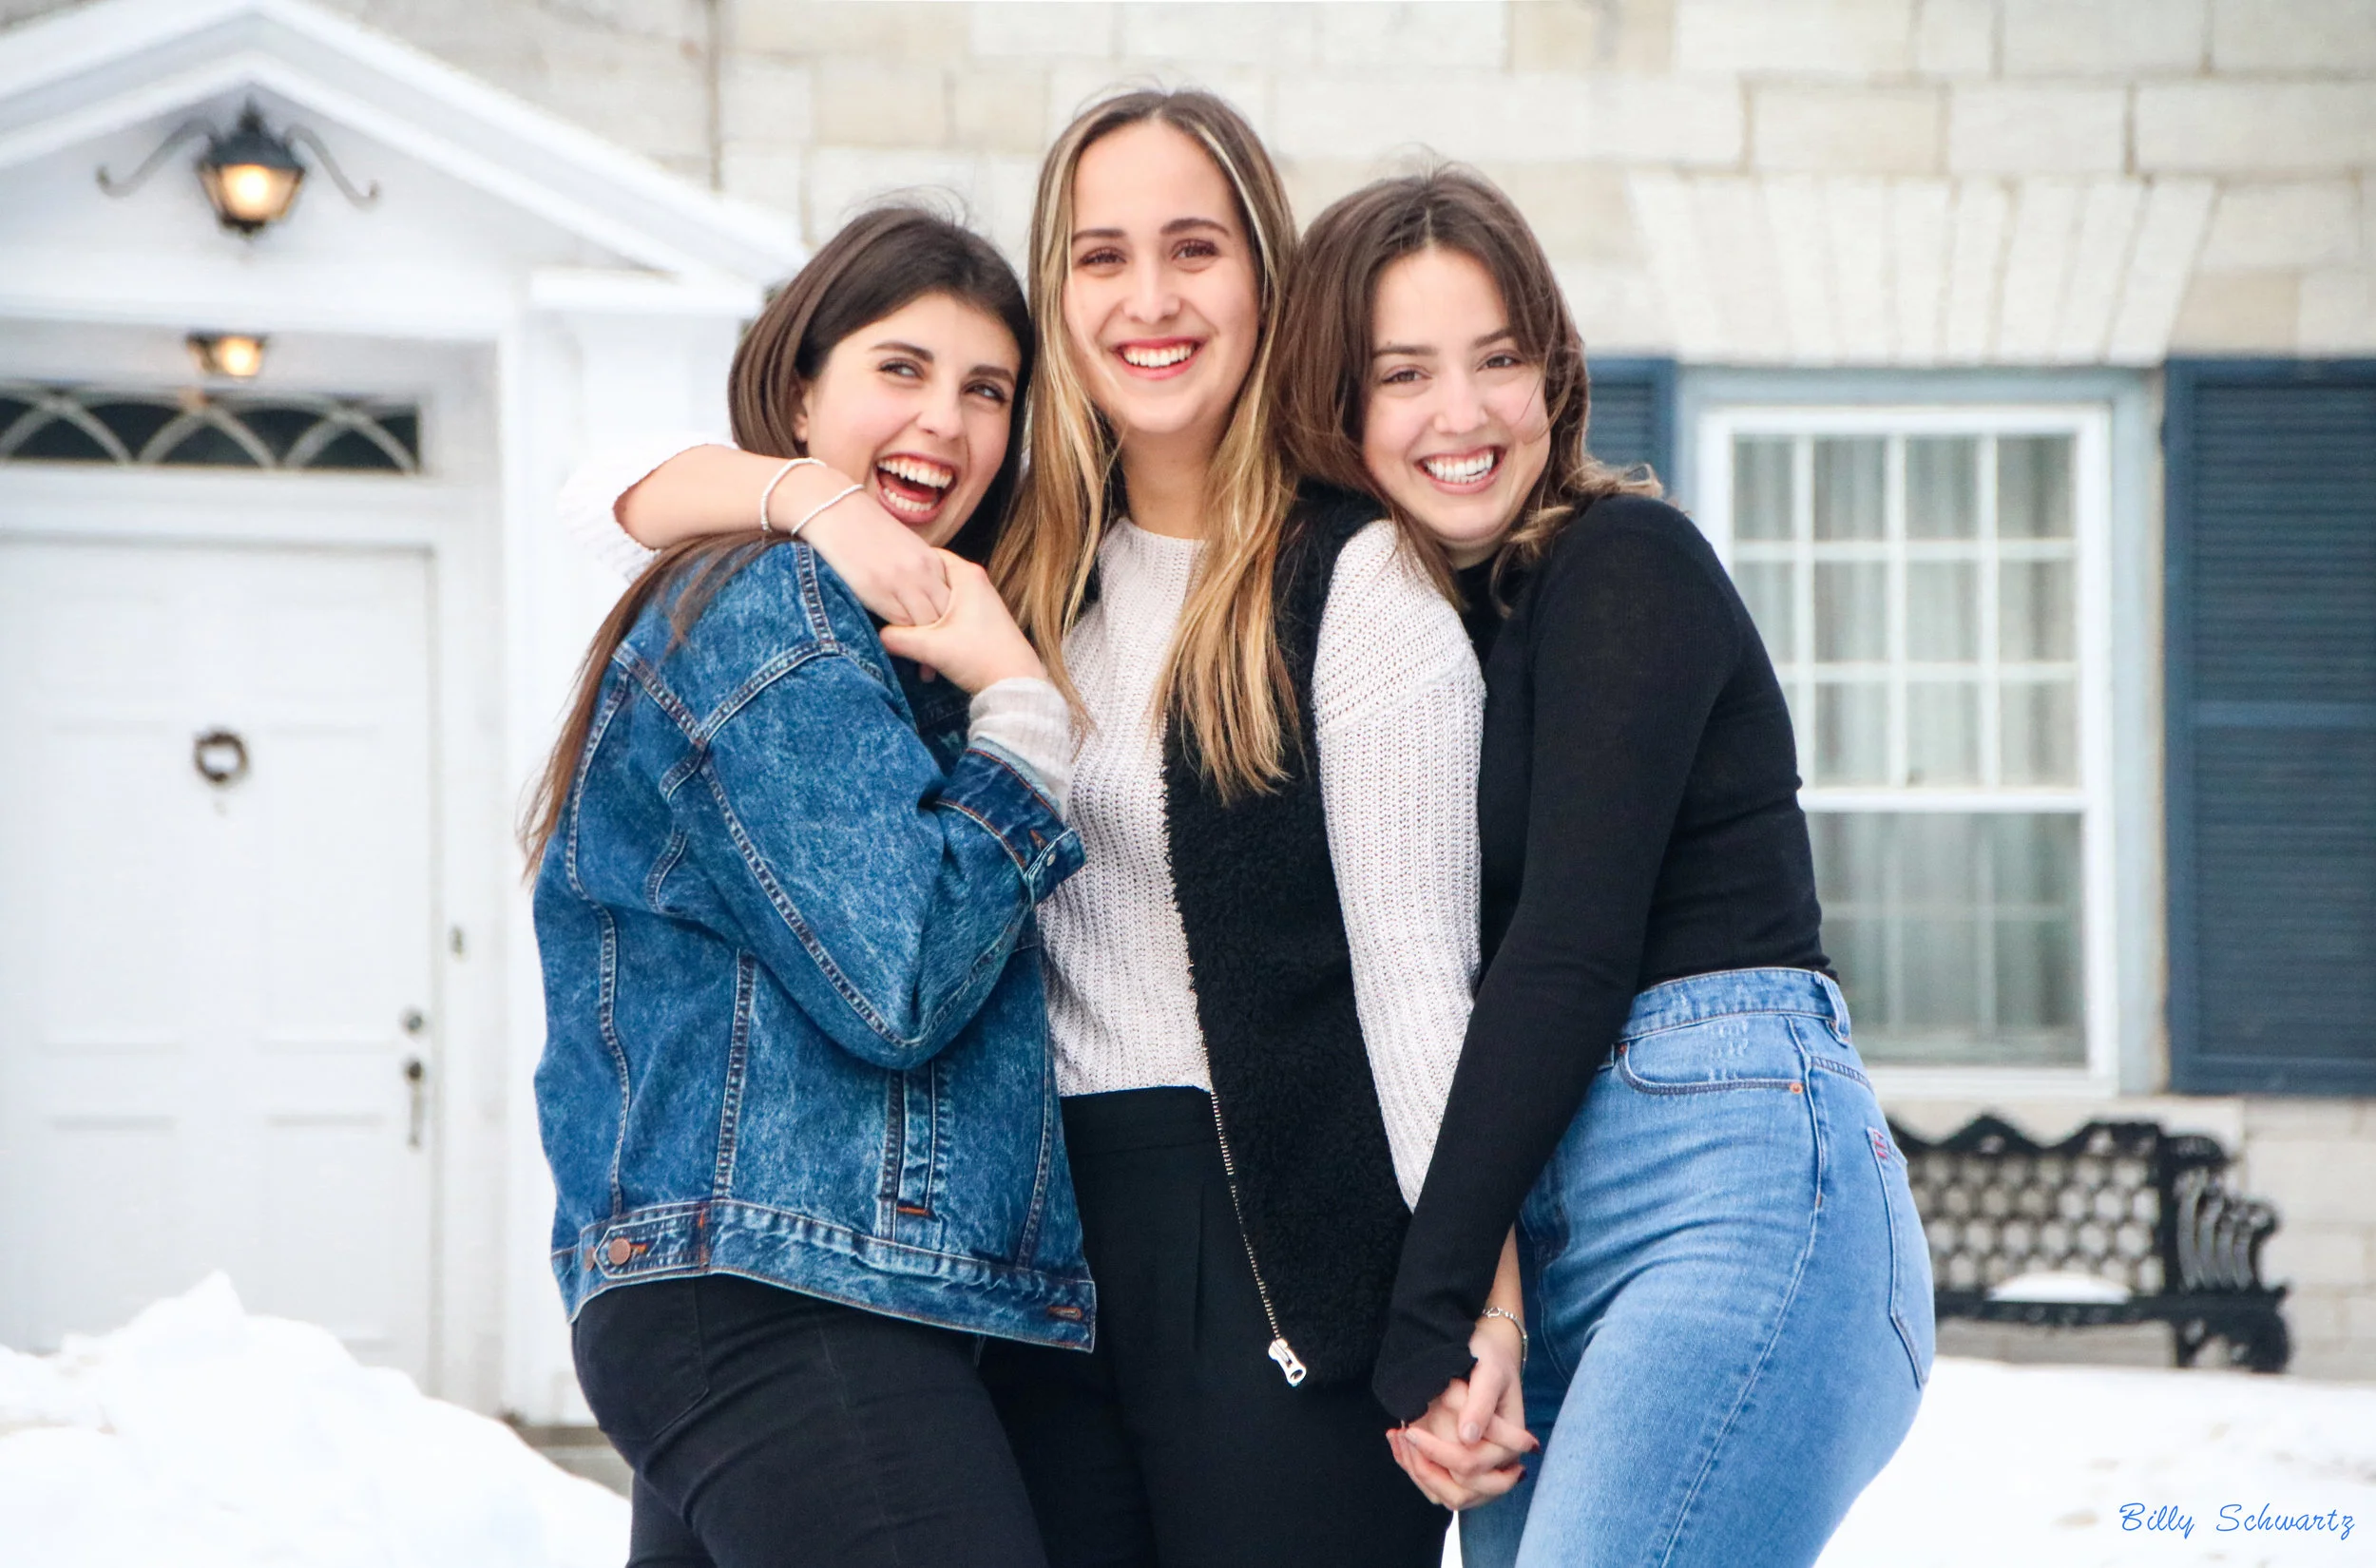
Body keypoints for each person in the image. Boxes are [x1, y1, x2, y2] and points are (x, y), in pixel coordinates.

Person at [553, 90, 1485, 1568]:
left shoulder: (1337, 578)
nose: (1152, 298)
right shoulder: (997, 570)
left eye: (1195, 248)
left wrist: (1474, 1301)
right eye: (1102, 257)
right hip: (997, 1257)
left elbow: (1423, 984)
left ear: (1267, 278)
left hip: (1252, 1230)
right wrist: (802, 498)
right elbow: (603, 503)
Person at [1274, 167, 1935, 1568]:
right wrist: (1488, 1312)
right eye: (1405, 374)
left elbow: (1567, 948)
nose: (1464, 414)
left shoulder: (1624, 564)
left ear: (1553, 375)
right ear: (1334, 406)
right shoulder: (1406, 647)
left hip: (1734, 1184)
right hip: (1552, 1246)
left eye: (1498, 359)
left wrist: (1428, 1305)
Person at [525, 207, 1091, 1568]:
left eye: (986, 390)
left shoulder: (868, 623)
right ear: (800, 391)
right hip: (782, 1289)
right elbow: (896, 976)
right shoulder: (773, 598)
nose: (944, 423)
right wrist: (1024, 717)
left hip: (766, 1282)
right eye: (900, 369)